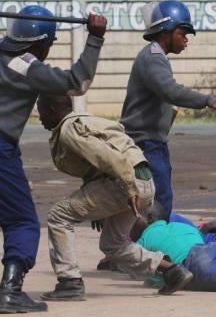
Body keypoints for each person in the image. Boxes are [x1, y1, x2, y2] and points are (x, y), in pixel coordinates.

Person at [0, 5, 106, 314]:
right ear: (41, 43)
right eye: (49, 44)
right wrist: (95, 38)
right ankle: (10, 290)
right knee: (21, 221)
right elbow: (78, 82)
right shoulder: (27, 65)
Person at [37, 95, 193, 301]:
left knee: (59, 215)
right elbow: (99, 164)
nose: (40, 118)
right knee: (113, 244)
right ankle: (172, 271)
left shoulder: (70, 129)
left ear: (52, 109)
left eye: (41, 112)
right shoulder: (87, 120)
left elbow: (110, 158)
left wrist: (129, 190)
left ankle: (69, 282)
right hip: (143, 182)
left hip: (126, 182)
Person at [120, 0, 216, 218]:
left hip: (150, 142)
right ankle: (153, 249)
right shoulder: (153, 58)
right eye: (183, 34)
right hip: (145, 145)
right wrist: (209, 101)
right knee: (159, 203)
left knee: (153, 201)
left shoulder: (155, 56)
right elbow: (170, 91)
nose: (186, 41)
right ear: (166, 32)